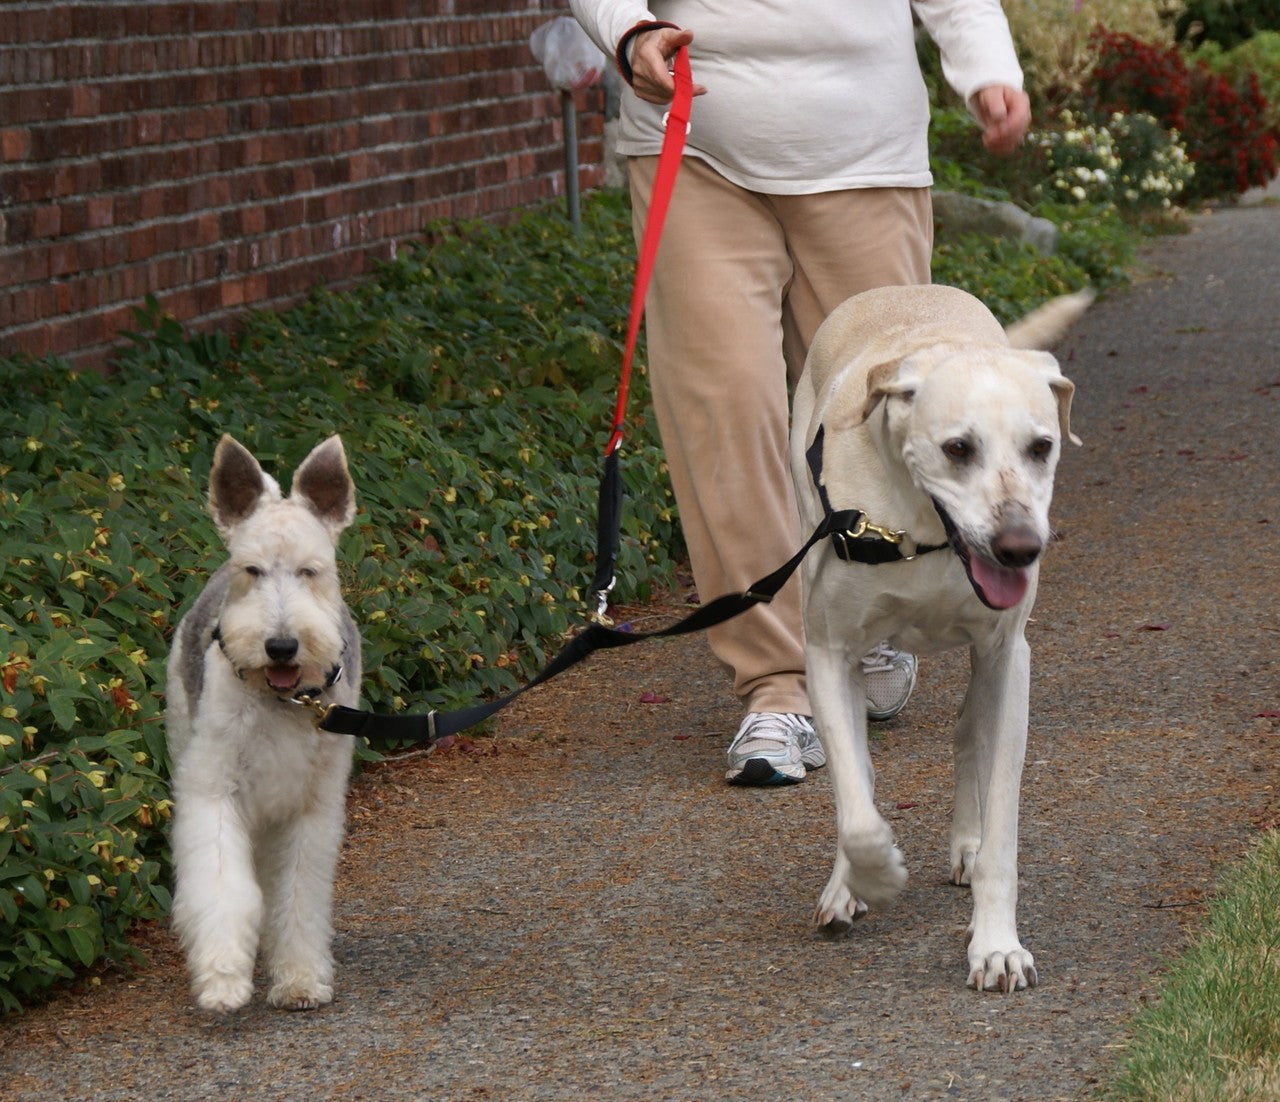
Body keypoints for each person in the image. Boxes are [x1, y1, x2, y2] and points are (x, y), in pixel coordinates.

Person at [568, 1, 1032, 785]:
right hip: (691, 143)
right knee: (722, 412)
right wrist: (629, 32)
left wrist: (987, 70)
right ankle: (777, 686)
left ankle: (871, 615)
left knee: (876, 419)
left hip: (864, 150)